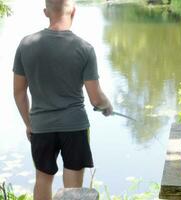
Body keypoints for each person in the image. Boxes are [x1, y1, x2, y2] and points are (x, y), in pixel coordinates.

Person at [13, 0, 113, 199]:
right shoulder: (85, 48)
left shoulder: (26, 45)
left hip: (41, 126)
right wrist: (107, 105)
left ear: (45, 12)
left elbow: (18, 92)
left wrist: (29, 123)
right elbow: (95, 98)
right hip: (74, 126)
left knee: (42, 178)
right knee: (73, 190)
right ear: (73, 12)